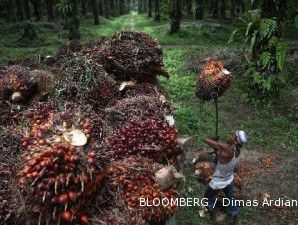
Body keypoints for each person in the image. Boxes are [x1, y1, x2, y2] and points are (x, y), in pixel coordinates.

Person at [203, 131, 248, 225]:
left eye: (232, 135)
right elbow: (222, 156)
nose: (229, 135)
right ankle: (236, 218)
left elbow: (205, 140)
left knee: (207, 197)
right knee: (231, 199)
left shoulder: (226, 149)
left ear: (236, 141)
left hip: (218, 182)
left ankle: (214, 216)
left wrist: (213, 138)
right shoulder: (237, 150)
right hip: (229, 180)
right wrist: (217, 150)